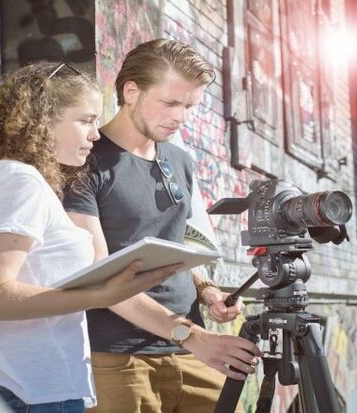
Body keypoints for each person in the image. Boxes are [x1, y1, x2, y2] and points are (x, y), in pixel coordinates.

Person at [0, 62, 183, 413]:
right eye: (86, 120)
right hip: (27, 395)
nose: (96, 134)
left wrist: (5, 325)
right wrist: (99, 295)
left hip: (2, 387)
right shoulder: (18, 181)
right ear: (43, 121)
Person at [62, 39, 262, 413]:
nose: (180, 117)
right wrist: (193, 337)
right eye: (170, 103)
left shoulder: (181, 161)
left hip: (190, 350)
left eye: (189, 106)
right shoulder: (83, 162)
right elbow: (99, 275)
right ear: (131, 91)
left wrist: (208, 291)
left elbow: (184, 240)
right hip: (115, 358)